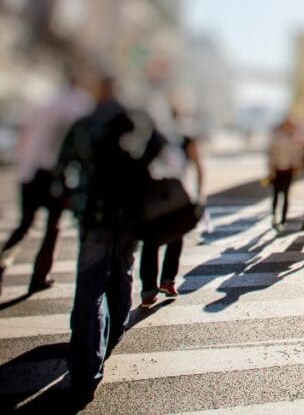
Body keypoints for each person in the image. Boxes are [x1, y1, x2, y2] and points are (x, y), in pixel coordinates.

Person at [54, 70, 166, 403]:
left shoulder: (85, 124)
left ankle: (87, 367)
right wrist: (139, 168)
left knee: (89, 284)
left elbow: (63, 166)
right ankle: (115, 330)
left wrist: (74, 193)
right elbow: (160, 143)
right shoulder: (135, 118)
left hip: (95, 215)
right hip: (129, 213)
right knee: (122, 271)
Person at [0, 68, 93, 296]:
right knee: (53, 226)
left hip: (30, 171)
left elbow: (26, 136)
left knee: (25, 224)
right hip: (55, 173)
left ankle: (3, 261)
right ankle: (39, 276)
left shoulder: (45, 102)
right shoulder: (80, 104)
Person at [139, 106, 205, 308]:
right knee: (175, 237)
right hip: (177, 194)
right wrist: (199, 193)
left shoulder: (152, 135)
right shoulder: (184, 137)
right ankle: (167, 281)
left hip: (154, 195)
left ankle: (149, 289)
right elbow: (198, 165)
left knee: (151, 242)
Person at [267, 118, 303, 229]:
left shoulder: (294, 137)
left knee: (286, 194)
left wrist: (297, 165)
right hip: (277, 169)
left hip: (288, 170)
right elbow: (271, 153)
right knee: (276, 194)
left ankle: (283, 219)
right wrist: (271, 169)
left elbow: (297, 153)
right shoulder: (277, 136)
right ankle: (274, 215)